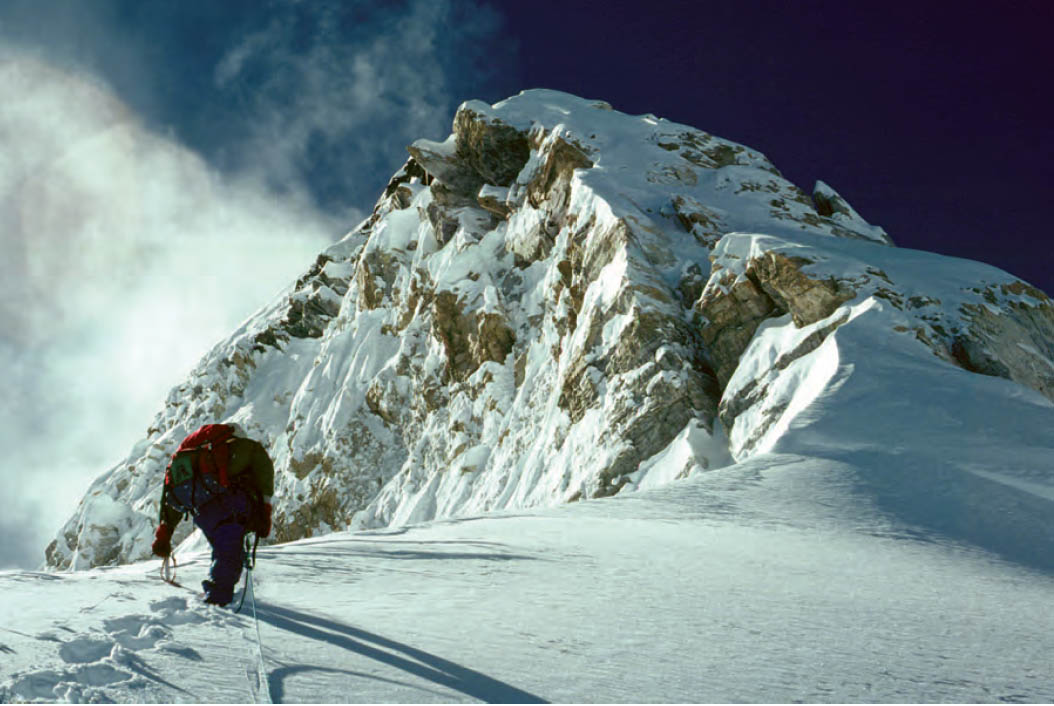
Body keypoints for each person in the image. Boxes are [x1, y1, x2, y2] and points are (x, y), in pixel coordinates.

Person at [151, 423, 274, 606]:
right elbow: (263, 466)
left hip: (202, 512)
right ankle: (218, 599)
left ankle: (221, 592)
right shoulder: (241, 447)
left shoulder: (190, 460)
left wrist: (165, 532)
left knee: (227, 549)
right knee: (229, 550)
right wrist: (265, 508)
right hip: (228, 504)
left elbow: (170, 495)